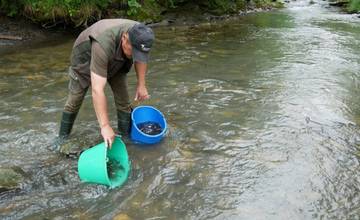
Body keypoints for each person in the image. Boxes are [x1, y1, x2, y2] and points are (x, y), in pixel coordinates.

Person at [58, 19, 155, 148]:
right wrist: (105, 126)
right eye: (134, 52)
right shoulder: (102, 44)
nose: (135, 56)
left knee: (124, 102)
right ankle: (61, 140)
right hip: (85, 60)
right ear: (125, 38)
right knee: (75, 100)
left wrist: (141, 85)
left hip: (117, 59)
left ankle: (125, 141)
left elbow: (141, 59)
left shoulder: (141, 34)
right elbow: (97, 90)